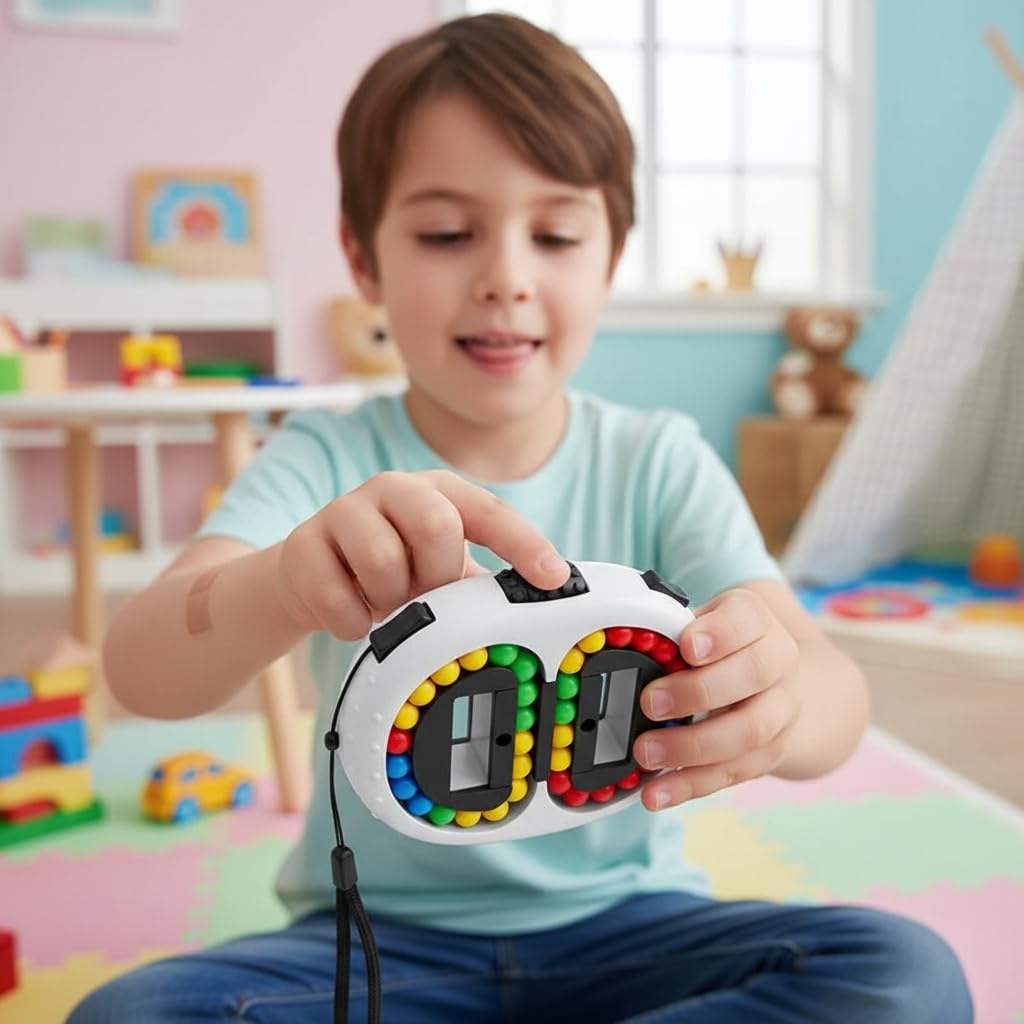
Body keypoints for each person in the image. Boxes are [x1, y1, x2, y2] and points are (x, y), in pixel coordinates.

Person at [69, 13, 972, 1024]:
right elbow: (141, 669)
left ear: (610, 256)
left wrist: (780, 703)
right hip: (375, 947)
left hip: (634, 933)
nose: (504, 274)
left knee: (903, 975)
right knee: (129, 1015)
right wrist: (281, 581)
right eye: (447, 233)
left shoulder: (658, 460)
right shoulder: (321, 459)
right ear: (362, 258)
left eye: (553, 233)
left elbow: (830, 691)